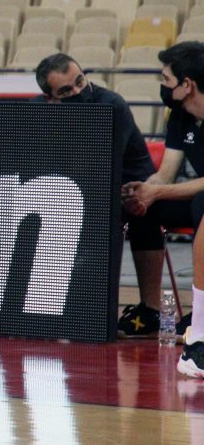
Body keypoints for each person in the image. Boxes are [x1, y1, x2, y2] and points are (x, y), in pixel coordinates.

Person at [32, 53, 168, 338]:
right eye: (67, 91)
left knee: (138, 212)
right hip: (79, 186)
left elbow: (103, 165)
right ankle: (48, 305)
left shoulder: (111, 105)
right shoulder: (37, 112)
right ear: (50, 99)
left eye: (80, 81)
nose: (78, 92)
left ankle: (147, 311)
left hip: (126, 183)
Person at [122, 41, 204, 376]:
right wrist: (144, 191)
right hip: (193, 197)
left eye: (166, 78)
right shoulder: (180, 117)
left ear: (188, 84)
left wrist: (160, 192)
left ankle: (199, 317)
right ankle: (151, 309)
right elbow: (166, 174)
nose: (162, 84)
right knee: (143, 209)